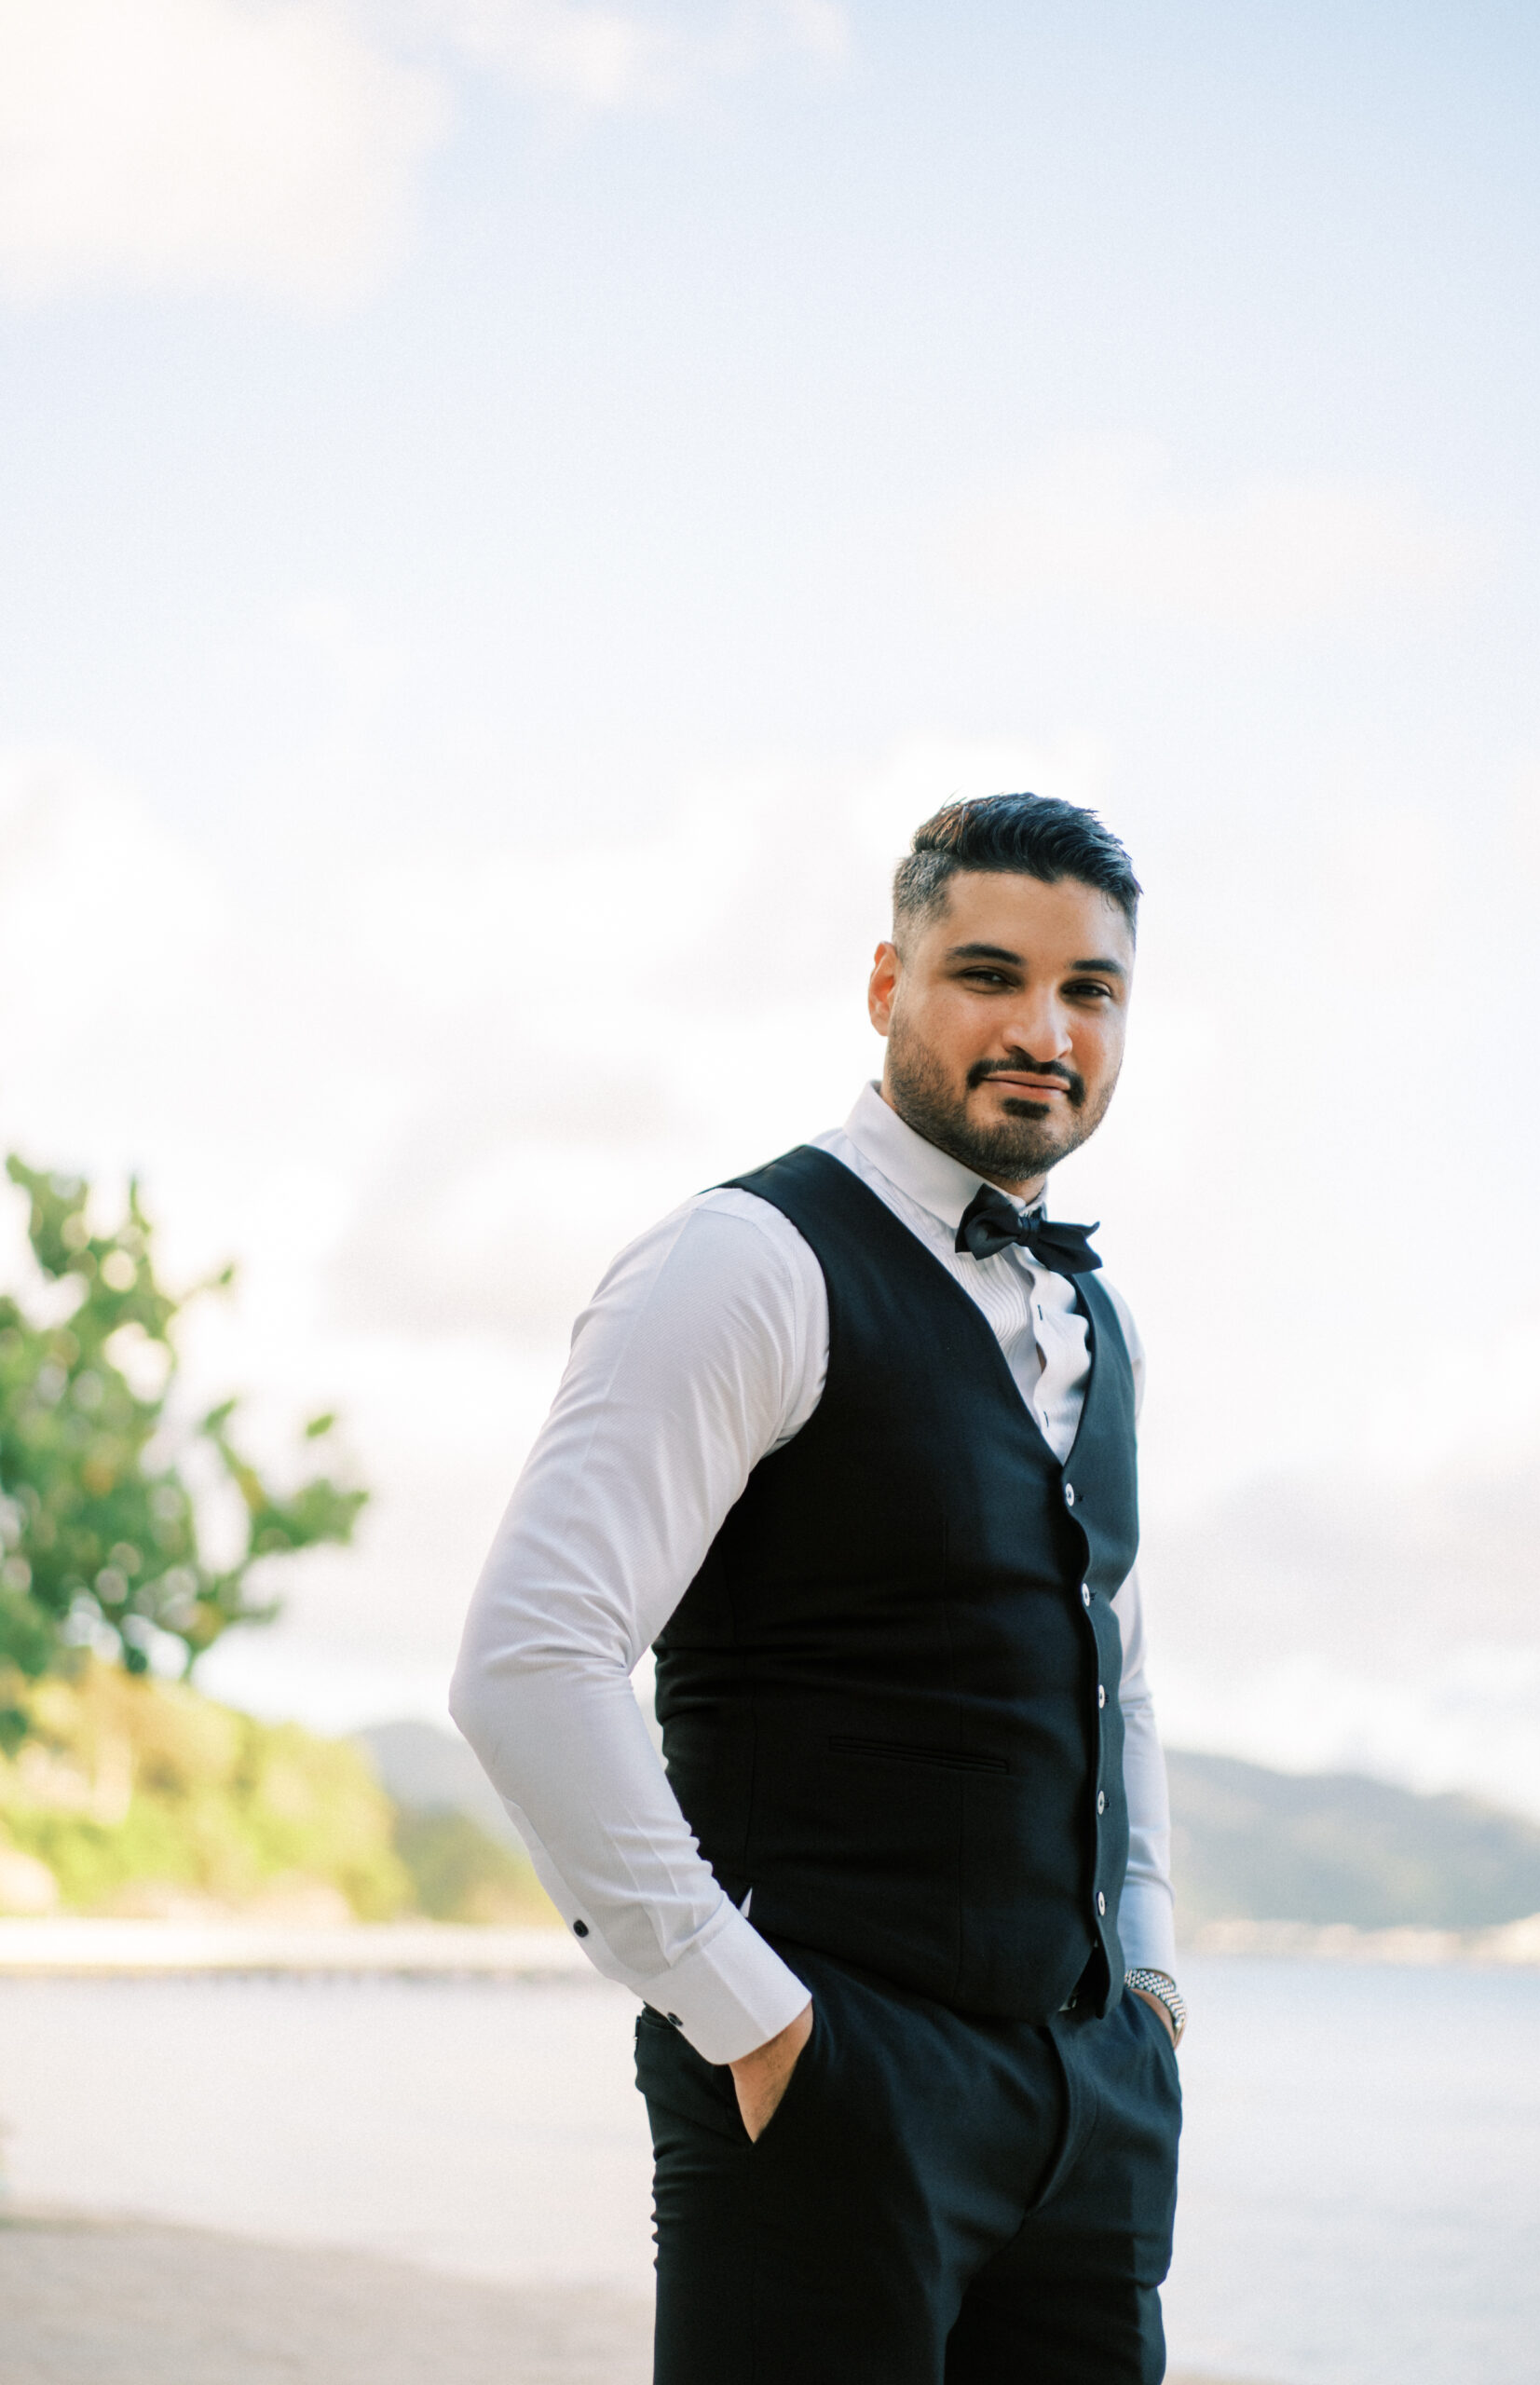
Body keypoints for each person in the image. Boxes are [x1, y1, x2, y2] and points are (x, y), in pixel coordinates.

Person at [451, 791, 1183, 2384]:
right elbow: (531, 1660)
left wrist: (1150, 1981)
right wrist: (754, 2021)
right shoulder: (747, 1261)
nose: (1044, 1030)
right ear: (885, 984)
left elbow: (1113, 1672)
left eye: (1090, 990)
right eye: (988, 975)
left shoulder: (1102, 1326)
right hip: (833, 2086)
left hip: (1090, 2115)